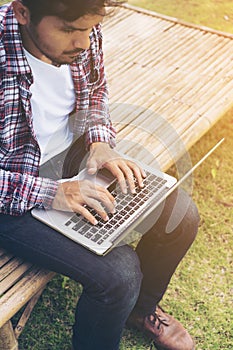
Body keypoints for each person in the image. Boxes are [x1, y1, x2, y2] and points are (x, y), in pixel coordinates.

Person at [0, 1, 200, 349]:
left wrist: (99, 142)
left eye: (89, 29)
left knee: (181, 216)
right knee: (118, 276)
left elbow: (95, 94)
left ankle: (140, 311)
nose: (82, 42)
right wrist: (51, 193)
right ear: (22, 13)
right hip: (12, 192)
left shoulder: (84, 33)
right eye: (68, 30)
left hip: (69, 158)